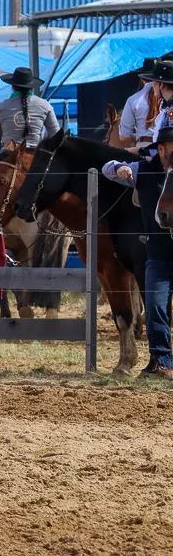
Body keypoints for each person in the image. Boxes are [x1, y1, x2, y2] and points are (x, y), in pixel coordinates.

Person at [101, 125, 173, 379]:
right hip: (158, 252)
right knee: (155, 307)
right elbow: (107, 168)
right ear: (160, 149)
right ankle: (162, 361)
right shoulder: (145, 170)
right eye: (169, 149)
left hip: (159, 253)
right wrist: (119, 168)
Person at [0, 67, 59, 192]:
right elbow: (56, 134)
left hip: (8, 154)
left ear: (12, 86)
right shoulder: (45, 105)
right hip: (36, 155)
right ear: (32, 87)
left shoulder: (1, 107)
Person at [117, 57, 161, 152]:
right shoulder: (168, 99)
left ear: (141, 78)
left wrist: (139, 134)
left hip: (145, 147)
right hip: (167, 148)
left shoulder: (133, 100)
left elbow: (124, 137)